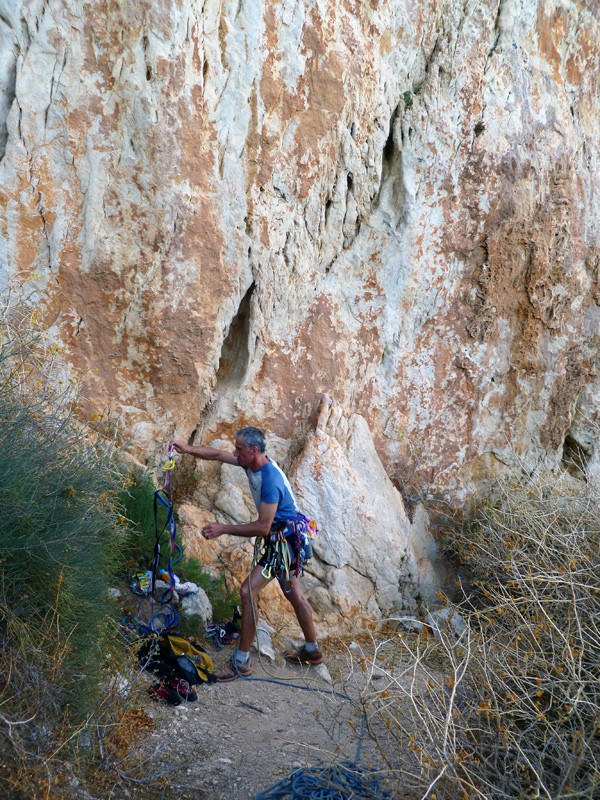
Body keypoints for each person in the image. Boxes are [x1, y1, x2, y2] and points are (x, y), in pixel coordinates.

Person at [170, 426, 321, 681]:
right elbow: (217, 455)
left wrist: (223, 528)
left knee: (247, 591)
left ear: (253, 450)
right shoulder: (250, 463)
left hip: (283, 543)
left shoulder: (270, 480)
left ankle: (241, 662)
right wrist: (187, 448)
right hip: (288, 539)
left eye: (239, 449)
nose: (234, 453)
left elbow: (263, 527)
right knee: (294, 593)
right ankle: (312, 651)